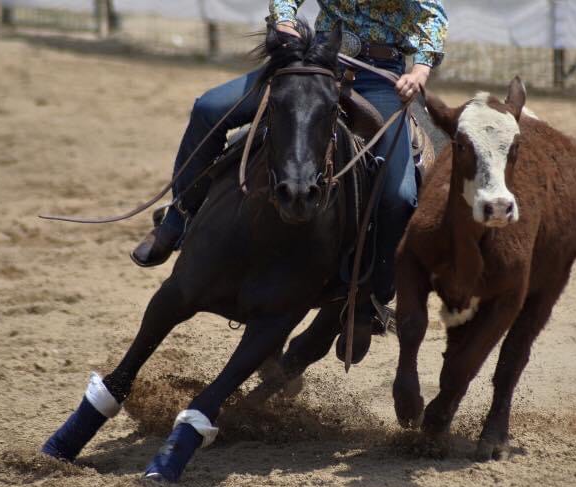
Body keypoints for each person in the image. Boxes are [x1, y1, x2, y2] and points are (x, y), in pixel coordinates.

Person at [132, 0, 447, 308]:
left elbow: (432, 15)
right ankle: (177, 220)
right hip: (316, 61)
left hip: (379, 76)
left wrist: (420, 70)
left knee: (400, 195)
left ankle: (374, 295)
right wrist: (284, 20)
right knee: (208, 109)